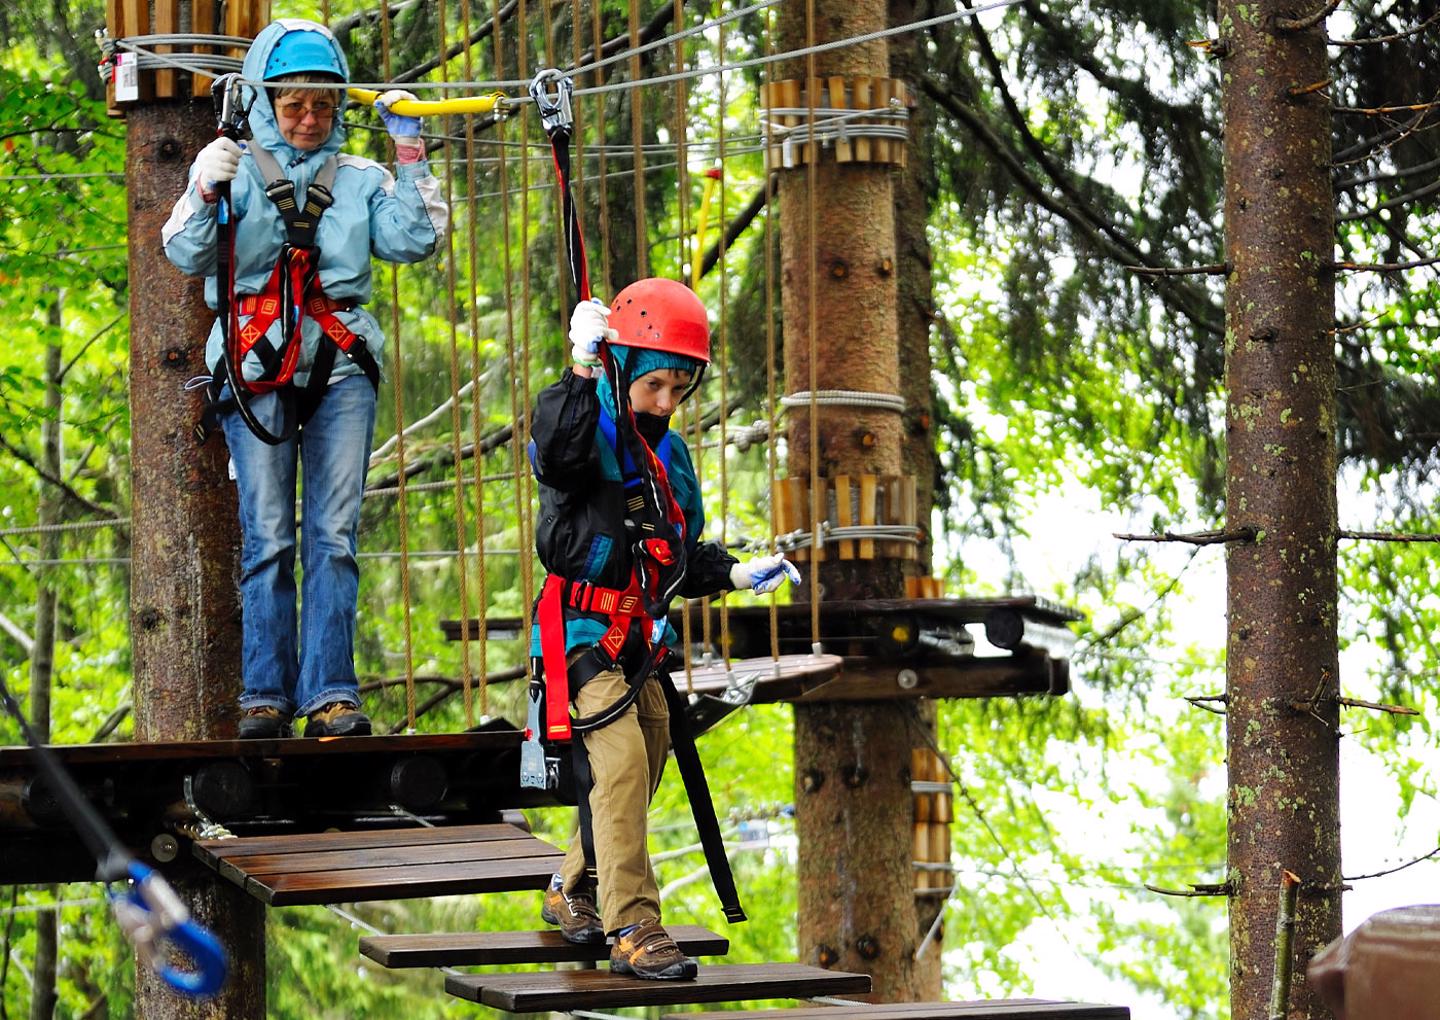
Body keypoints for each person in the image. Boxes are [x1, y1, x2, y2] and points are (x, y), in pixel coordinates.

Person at [162, 19, 448, 738]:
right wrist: (203, 188)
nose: (310, 119)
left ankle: (330, 694)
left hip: (340, 365)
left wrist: (410, 152)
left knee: (333, 534)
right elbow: (188, 253)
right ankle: (264, 696)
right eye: (294, 105)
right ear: (267, 101)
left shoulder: (361, 180)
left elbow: (413, 239)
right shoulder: (230, 166)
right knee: (268, 535)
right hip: (257, 363)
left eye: (323, 105)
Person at [529, 278, 799, 980]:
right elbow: (556, 454)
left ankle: (569, 888)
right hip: (583, 634)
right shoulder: (585, 425)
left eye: (680, 388)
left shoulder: (668, 456)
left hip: (639, 639)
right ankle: (633, 926)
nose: (667, 403)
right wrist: (581, 366)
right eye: (656, 386)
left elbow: (673, 552)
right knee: (616, 765)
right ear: (623, 370)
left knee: (645, 761)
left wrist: (736, 574)